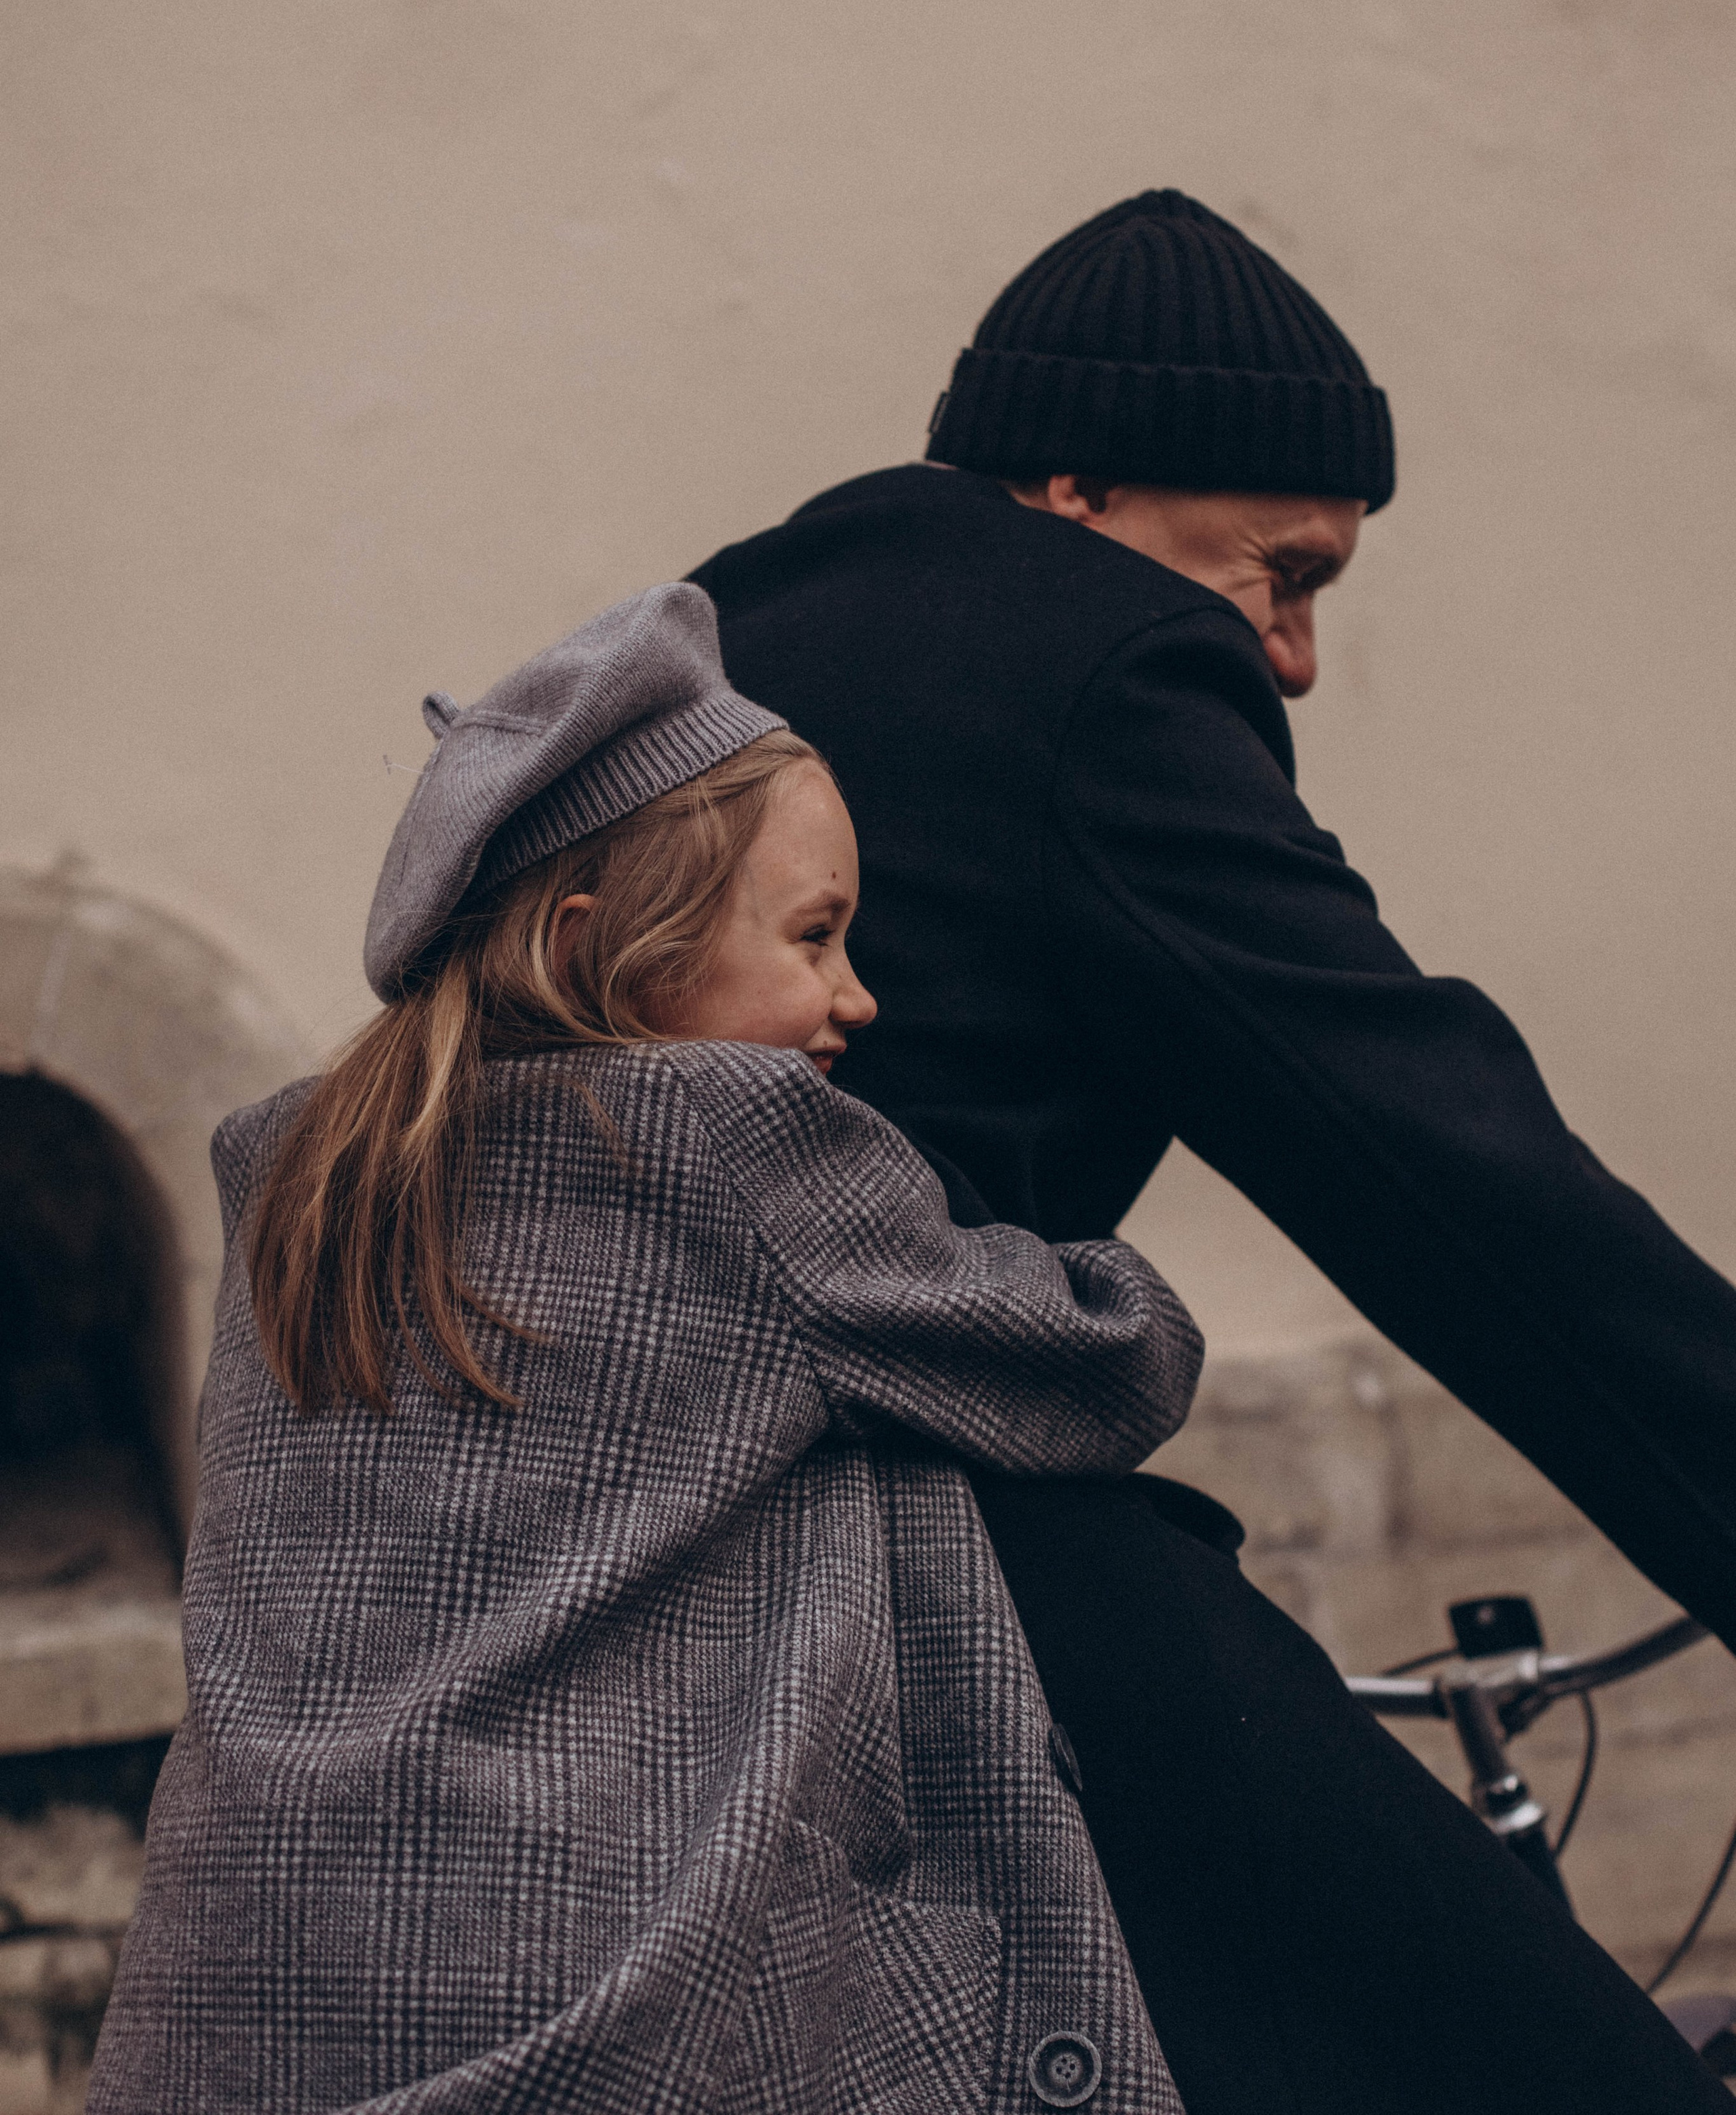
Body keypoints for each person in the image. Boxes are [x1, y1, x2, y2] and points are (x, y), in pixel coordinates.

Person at [691, 188, 1736, 2112]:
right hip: (915, 1529)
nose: (1302, 652)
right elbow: (1447, 1168)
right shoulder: (1099, 664)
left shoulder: (723, 614)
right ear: (1079, 494)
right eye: (1283, 570)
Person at [88, 584, 1203, 2115]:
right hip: (618, 1988)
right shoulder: (721, 1135)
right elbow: (1101, 1367)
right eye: (814, 936)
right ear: (601, 950)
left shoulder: (300, 1172)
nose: (853, 998)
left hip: (270, 1976)